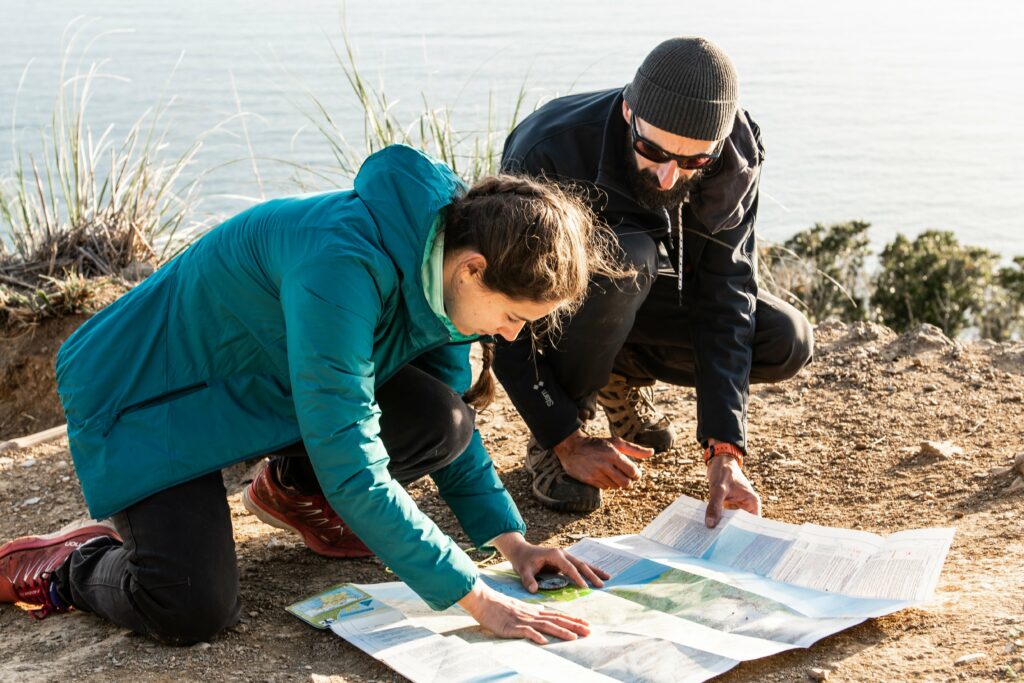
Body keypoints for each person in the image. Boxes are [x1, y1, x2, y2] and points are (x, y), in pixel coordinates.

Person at [0, 145, 619, 646]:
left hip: (267, 384)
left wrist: (513, 543)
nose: (512, 334)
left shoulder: (446, 268)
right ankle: (70, 567)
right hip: (147, 397)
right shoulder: (340, 266)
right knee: (189, 608)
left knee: (444, 418)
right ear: (473, 269)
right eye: (512, 314)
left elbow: (450, 431)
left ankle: (289, 489)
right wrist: (478, 599)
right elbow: (355, 470)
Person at [495, 37, 814, 526]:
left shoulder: (734, 160)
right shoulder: (550, 148)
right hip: (565, 309)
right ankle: (556, 436)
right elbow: (502, 310)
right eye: (652, 150)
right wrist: (561, 433)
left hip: (639, 301)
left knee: (785, 339)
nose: (668, 176)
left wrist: (725, 451)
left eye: (693, 163)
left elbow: (725, 298)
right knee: (627, 256)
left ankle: (619, 376)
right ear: (628, 111)